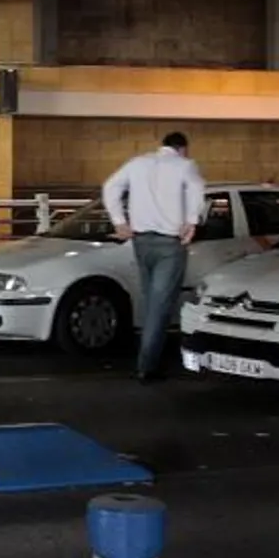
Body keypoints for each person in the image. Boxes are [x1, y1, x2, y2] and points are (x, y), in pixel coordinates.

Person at [102, 131, 206, 382]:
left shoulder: (138, 163)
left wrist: (119, 221)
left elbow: (110, 186)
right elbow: (197, 190)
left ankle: (148, 359)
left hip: (141, 242)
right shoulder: (185, 165)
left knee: (151, 302)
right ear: (182, 149)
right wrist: (192, 221)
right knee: (160, 307)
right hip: (170, 244)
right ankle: (146, 366)